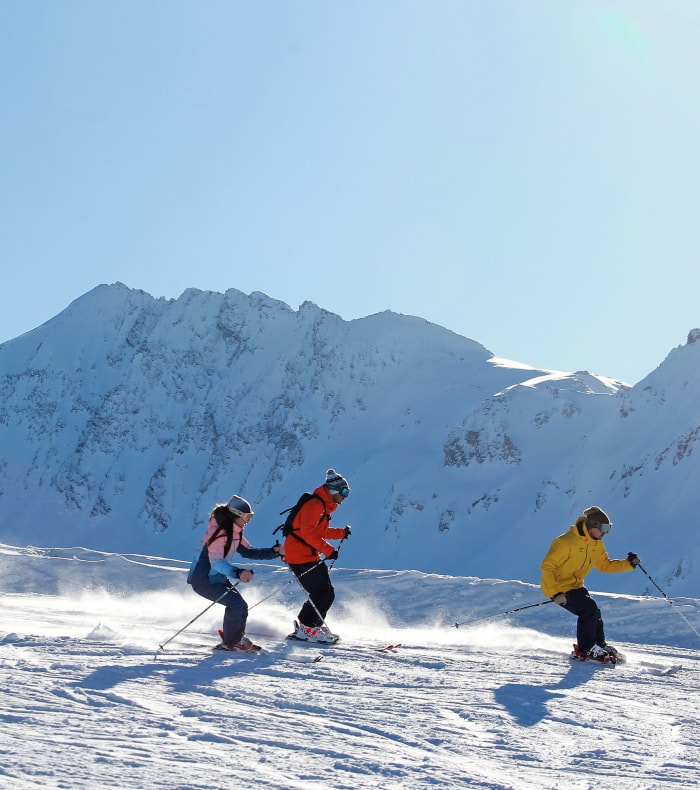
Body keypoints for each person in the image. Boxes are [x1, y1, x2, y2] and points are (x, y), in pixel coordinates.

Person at [540, 506, 640, 663]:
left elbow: (604, 564)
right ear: (592, 525)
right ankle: (586, 650)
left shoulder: (595, 543)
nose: (605, 533)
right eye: (603, 529)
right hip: (560, 588)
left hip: (576, 585)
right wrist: (555, 592)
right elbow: (547, 566)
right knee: (588, 609)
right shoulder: (566, 542)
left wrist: (628, 564)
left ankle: (599, 645)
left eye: (609, 529)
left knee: (595, 612)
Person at [187, 494, 284, 652]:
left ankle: (235, 638)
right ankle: (231, 642)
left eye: (250, 517)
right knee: (235, 604)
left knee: (241, 605)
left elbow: (249, 552)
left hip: (216, 577)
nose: (248, 521)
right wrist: (237, 572)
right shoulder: (218, 533)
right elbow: (216, 562)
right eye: (247, 517)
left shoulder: (234, 533)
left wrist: (274, 552)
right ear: (236, 515)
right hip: (203, 580)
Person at [285, 469, 352, 643]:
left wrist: (341, 533)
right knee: (321, 591)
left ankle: (311, 624)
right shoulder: (315, 505)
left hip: (308, 554)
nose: (346, 496)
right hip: (299, 555)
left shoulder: (323, 506)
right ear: (334, 491)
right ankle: (307, 628)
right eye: (344, 491)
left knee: (327, 592)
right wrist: (328, 550)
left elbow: (319, 531)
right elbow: (308, 533)